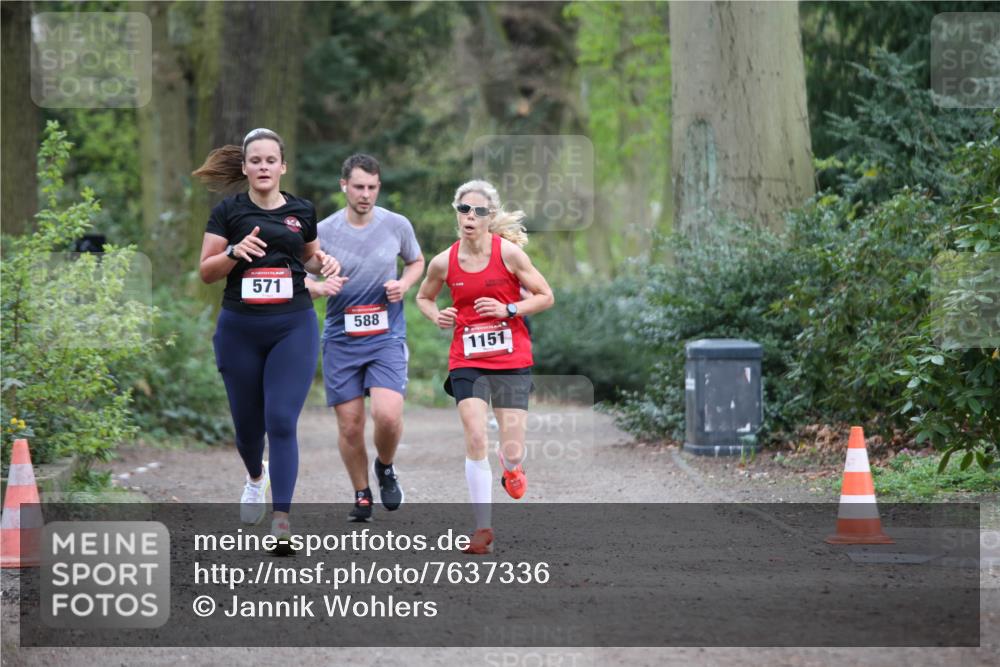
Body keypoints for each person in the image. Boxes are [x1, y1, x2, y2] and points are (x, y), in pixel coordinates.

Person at [194, 128, 340, 553]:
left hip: (292, 324)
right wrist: (235, 252)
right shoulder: (228, 212)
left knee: (280, 420)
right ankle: (255, 478)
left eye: (270, 160)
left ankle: (282, 519)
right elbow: (206, 271)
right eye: (255, 160)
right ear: (245, 167)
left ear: (282, 166)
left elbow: (308, 255)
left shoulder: (301, 210)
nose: (263, 167)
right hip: (240, 327)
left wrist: (323, 262)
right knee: (247, 430)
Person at [415, 179, 554, 554]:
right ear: (456, 214)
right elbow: (423, 297)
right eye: (464, 210)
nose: (470, 217)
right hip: (467, 359)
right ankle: (482, 530)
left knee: (511, 450)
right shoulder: (443, 261)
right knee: (476, 435)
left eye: (478, 211)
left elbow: (545, 296)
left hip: (511, 358)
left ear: (490, 217)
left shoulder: (509, 254)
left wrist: (509, 309)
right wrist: (436, 315)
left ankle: (513, 468)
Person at [305, 154, 424, 522]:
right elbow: (301, 278)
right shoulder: (323, 231)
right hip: (342, 337)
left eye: (372, 187)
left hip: (386, 335)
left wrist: (403, 284)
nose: (366, 194)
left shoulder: (396, 224)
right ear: (344, 186)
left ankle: (385, 467)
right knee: (351, 424)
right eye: (359, 186)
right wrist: (322, 286)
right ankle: (361, 495)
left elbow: (416, 261)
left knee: (387, 416)